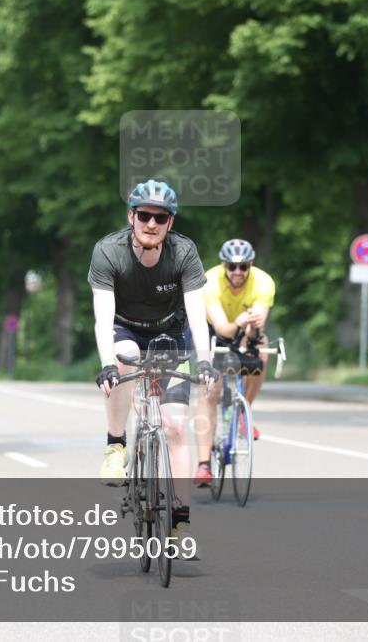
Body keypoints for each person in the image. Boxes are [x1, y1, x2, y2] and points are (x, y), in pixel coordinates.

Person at [88, 179, 216, 551]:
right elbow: (102, 318)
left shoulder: (184, 253)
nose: (151, 224)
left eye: (161, 218)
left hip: (170, 335)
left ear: (170, 223)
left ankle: (180, 522)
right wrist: (106, 363)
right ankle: (116, 445)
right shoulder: (108, 252)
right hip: (124, 328)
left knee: (175, 427)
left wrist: (205, 362)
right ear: (132, 216)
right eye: (144, 215)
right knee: (124, 362)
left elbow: (197, 315)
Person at [193, 238, 276, 487]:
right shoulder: (210, 282)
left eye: (243, 267)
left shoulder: (264, 283)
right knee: (210, 388)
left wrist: (253, 326)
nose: (237, 272)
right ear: (224, 266)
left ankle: (243, 412)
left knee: (262, 350)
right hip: (214, 330)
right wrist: (239, 322)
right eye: (232, 266)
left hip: (244, 328)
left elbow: (254, 332)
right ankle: (204, 464)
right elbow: (222, 329)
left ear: (251, 266)